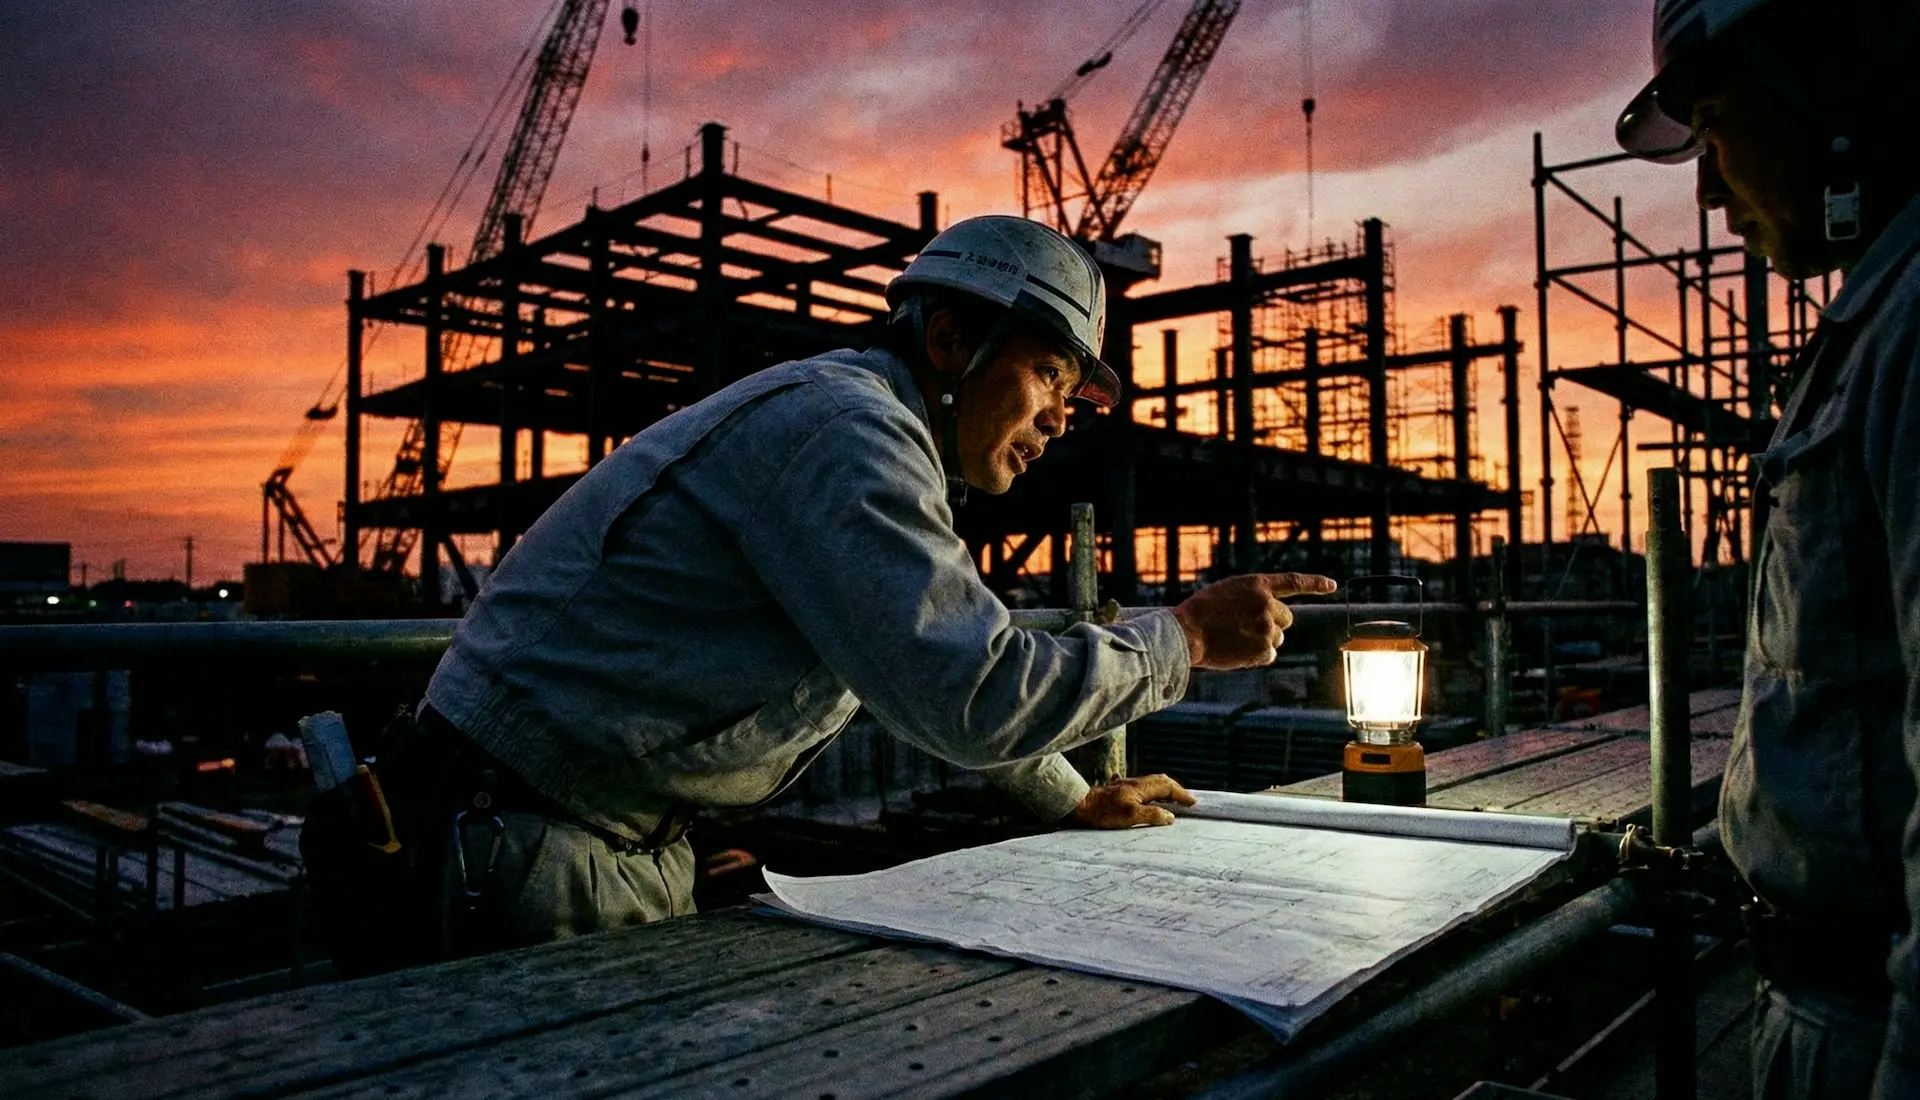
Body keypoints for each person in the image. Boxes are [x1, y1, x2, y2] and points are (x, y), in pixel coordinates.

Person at [386, 215, 1335, 960]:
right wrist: (1187, 637)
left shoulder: (862, 435)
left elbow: (920, 666)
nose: (1059, 417)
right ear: (951, 339)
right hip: (528, 845)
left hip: (575, 832)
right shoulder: (847, 435)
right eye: (1049, 372)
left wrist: (1067, 798)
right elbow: (971, 693)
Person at [1618, 1, 1919, 1096]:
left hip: (1866, 1025)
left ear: (1833, 77)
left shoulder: (1912, 328)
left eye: (1712, 126)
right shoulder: (1876, 323)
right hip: (1822, 993)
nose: (1707, 189)